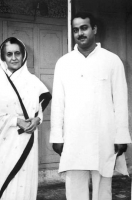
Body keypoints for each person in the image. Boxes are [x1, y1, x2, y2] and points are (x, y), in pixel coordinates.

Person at [50, 12, 131, 200]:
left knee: (103, 189)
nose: (80, 33)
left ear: (94, 29)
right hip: (73, 137)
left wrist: (121, 136)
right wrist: (57, 135)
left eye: (84, 28)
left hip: (103, 136)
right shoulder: (64, 63)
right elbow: (58, 103)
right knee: (75, 188)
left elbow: (120, 102)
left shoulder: (112, 60)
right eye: (76, 29)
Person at [0, 37, 51, 200]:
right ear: (3, 57)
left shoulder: (33, 81)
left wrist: (38, 120)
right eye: (9, 54)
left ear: (23, 55)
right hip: (4, 142)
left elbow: (41, 104)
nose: (14, 58)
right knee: (5, 186)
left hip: (27, 141)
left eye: (17, 53)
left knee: (25, 187)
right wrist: (16, 121)